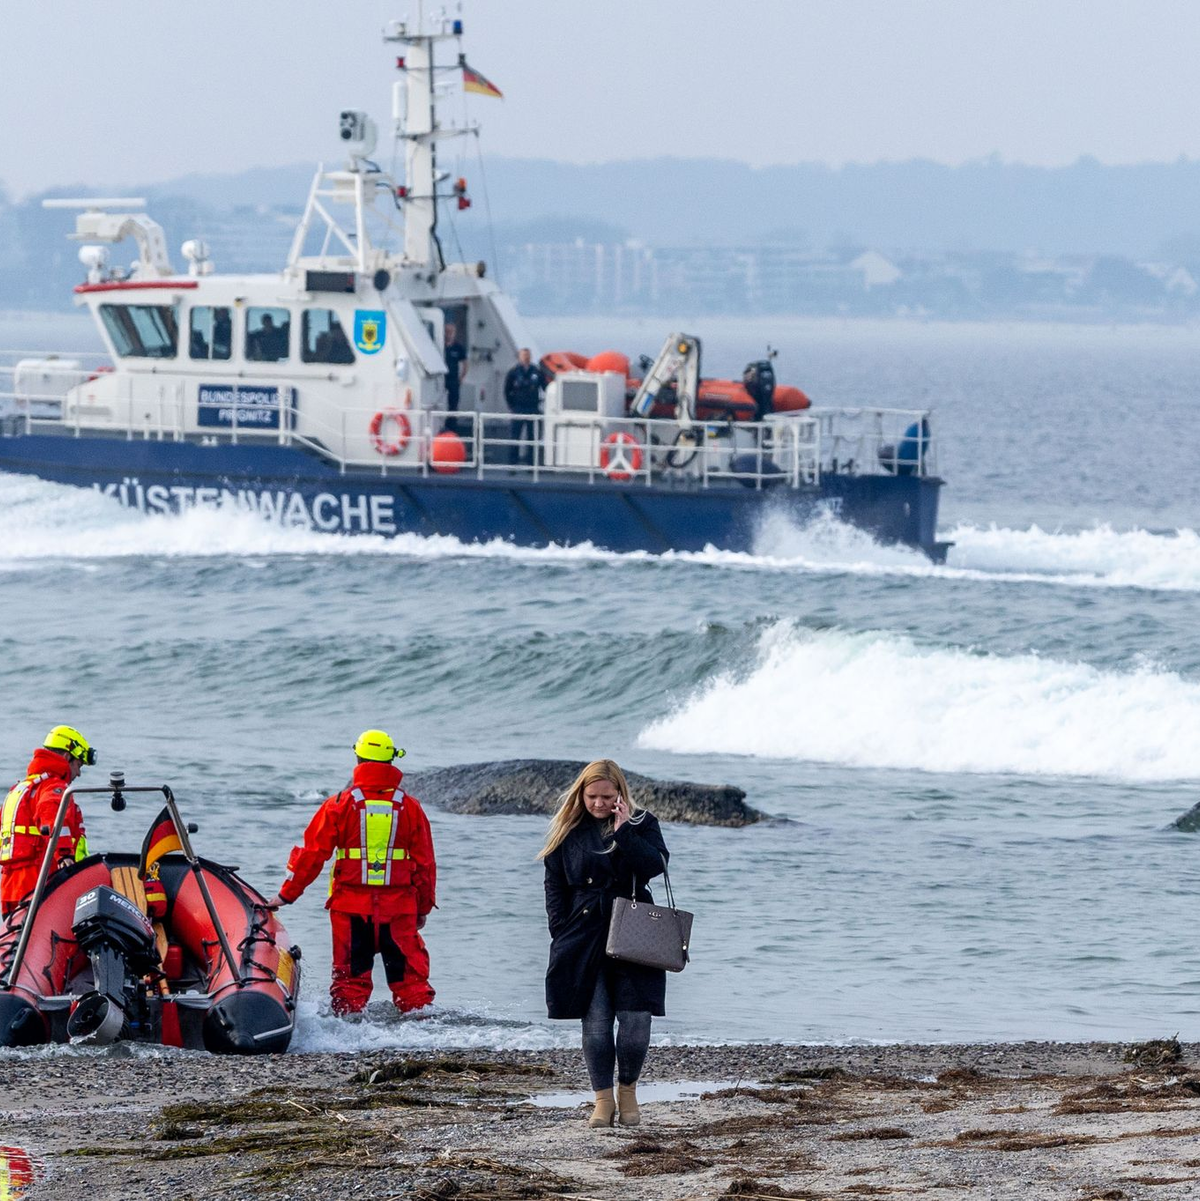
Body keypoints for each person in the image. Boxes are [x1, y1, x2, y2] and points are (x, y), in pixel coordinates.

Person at [266, 729, 436, 1015]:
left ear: (358, 759)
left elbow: (311, 856)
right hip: (399, 909)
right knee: (411, 985)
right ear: (391, 762)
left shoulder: (339, 804)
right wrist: (423, 908)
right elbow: (425, 866)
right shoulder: (410, 808)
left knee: (349, 986)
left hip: (351, 909)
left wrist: (286, 895)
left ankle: (345, 1037)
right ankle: (423, 1038)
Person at [540, 759, 669, 1128]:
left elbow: (654, 867)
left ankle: (627, 1092)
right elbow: (555, 884)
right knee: (595, 1023)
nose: (598, 803)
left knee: (635, 1020)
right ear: (581, 794)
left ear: (620, 795)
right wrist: (559, 930)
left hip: (634, 928)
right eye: (592, 796)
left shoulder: (642, 823)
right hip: (582, 932)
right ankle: (602, 1100)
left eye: (607, 797)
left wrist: (623, 830)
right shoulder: (569, 828)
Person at [1, 726, 94, 916]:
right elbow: (54, 818)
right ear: (67, 757)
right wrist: (65, 855)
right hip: (39, 883)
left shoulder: (19, 790)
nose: (78, 773)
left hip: (10, 888)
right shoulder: (53, 787)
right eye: (79, 765)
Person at [503, 348, 547, 466]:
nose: (526, 357)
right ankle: (513, 464)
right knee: (515, 437)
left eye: (528, 355)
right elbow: (507, 390)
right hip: (518, 408)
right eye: (523, 355)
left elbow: (545, 387)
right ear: (519, 357)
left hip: (533, 408)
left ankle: (531, 464)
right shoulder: (513, 372)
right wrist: (512, 405)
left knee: (532, 438)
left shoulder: (536, 371)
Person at [442, 321, 468, 432]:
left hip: (453, 380)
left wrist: (462, 377)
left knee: (453, 404)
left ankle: (452, 428)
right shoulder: (440, 345)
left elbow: (465, 363)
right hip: (441, 380)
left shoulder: (458, 347)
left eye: (451, 331)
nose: (449, 334)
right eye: (447, 331)